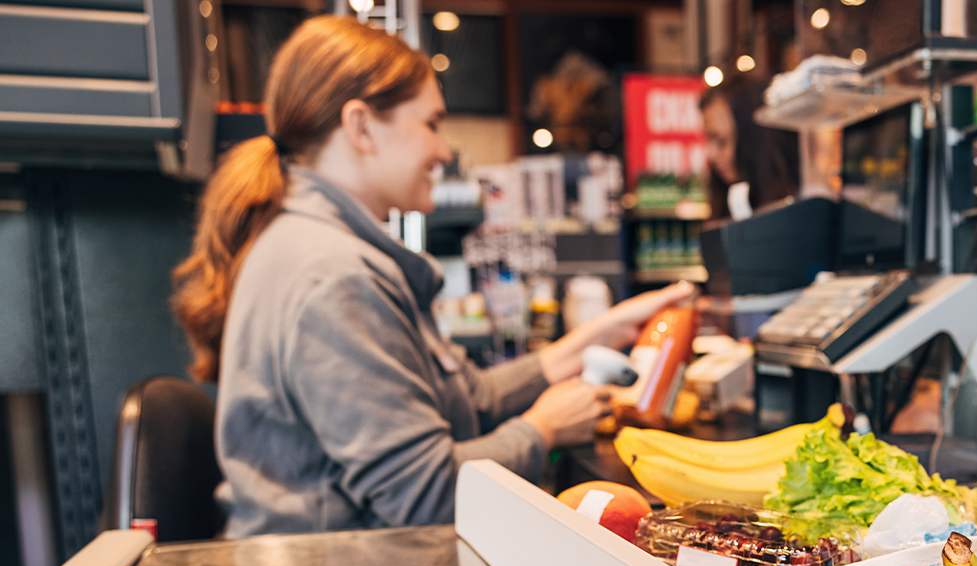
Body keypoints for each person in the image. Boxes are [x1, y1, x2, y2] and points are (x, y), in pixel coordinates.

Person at [172, 17, 693, 536]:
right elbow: (422, 494)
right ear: (361, 127)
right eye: (431, 124)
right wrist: (542, 430)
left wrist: (593, 338)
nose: (445, 152)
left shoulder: (324, 248)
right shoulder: (333, 275)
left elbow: (468, 399)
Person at [697, 74, 800, 223]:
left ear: (753, 139)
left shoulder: (791, 212)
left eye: (721, 142)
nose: (711, 155)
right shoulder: (725, 207)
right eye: (708, 141)